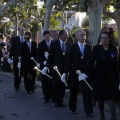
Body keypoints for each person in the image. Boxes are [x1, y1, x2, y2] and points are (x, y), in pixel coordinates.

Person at [86, 31, 119, 120]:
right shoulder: (96, 48)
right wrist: (89, 74)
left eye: (106, 38)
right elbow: (91, 62)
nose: (104, 39)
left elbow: (116, 64)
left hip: (111, 76)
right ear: (100, 39)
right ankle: (102, 115)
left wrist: (117, 77)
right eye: (102, 38)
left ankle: (114, 116)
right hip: (99, 76)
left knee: (111, 97)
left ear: (109, 39)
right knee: (100, 97)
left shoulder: (113, 49)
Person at [62, 29, 93, 116]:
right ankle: (72, 108)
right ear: (77, 36)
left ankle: (89, 111)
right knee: (73, 91)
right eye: (82, 35)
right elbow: (68, 61)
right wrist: (65, 73)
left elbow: (91, 62)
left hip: (85, 74)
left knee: (87, 93)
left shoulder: (90, 47)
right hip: (74, 73)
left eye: (85, 35)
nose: (84, 37)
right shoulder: (72, 47)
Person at [41, 30, 71, 107]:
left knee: (62, 85)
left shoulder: (69, 44)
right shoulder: (54, 44)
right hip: (56, 68)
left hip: (65, 69)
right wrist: (47, 66)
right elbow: (51, 56)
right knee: (55, 84)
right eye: (65, 35)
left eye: (67, 35)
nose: (66, 37)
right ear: (60, 35)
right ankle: (55, 100)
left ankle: (60, 100)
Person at [37, 31, 53, 103]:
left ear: (50, 36)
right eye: (45, 36)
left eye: (48, 36)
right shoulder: (41, 44)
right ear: (44, 37)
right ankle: (45, 96)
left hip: (52, 65)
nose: (47, 38)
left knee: (51, 81)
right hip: (44, 65)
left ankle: (51, 94)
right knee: (44, 81)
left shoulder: (54, 43)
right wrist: (42, 61)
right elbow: (39, 54)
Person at [8, 26, 25, 91]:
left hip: (23, 58)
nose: (23, 32)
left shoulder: (25, 39)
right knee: (16, 72)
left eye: (23, 30)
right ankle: (16, 85)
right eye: (21, 30)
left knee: (21, 73)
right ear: (19, 31)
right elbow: (12, 49)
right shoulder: (15, 39)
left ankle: (19, 82)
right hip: (16, 58)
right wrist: (10, 57)